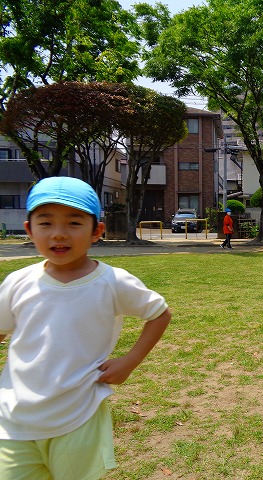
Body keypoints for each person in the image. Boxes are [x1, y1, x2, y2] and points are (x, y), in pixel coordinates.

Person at [0, 177, 171, 478]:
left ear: (97, 232)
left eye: (74, 223)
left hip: (78, 416)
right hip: (13, 419)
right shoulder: (17, 282)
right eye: (45, 223)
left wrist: (130, 362)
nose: (58, 233)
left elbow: (159, 314)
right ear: (29, 229)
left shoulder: (112, 282)